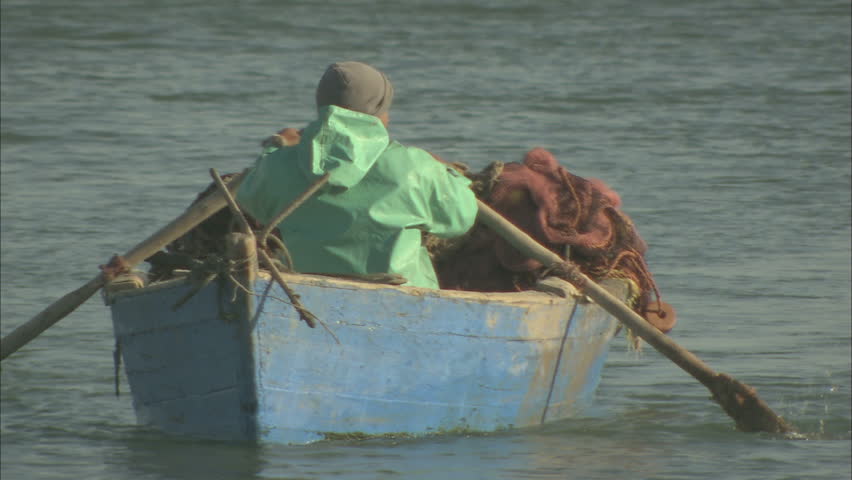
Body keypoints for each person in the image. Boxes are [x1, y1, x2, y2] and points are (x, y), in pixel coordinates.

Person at [236, 61, 478, 289]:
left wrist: (275, 149)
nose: (389, 117)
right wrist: (446, 171)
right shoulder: (415, 166)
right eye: (385, 109)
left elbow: (252, 201)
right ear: (378, 111)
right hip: (402, 293)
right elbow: (459, 219)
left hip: (302, 290)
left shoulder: (278, 164)